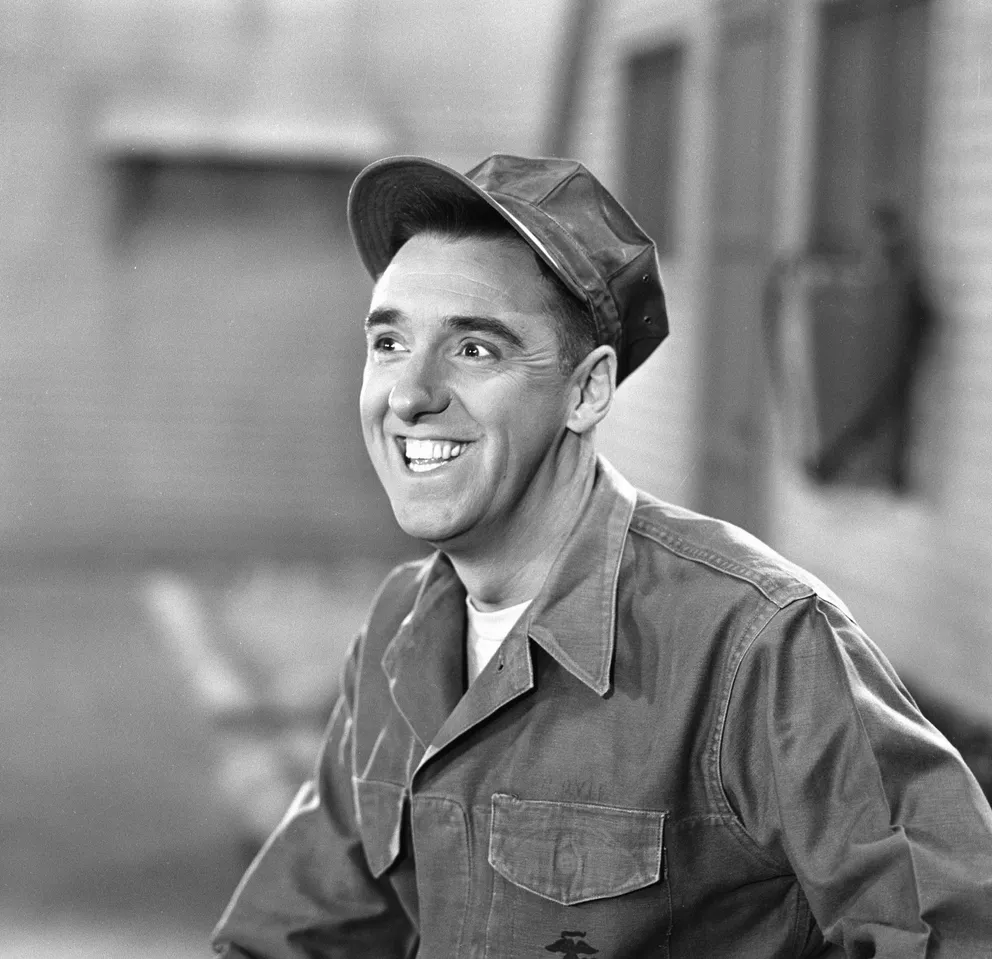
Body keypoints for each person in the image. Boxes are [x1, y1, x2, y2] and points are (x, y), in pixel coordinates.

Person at [212, 155, 992, 958]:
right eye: (388, 341)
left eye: (474, 349)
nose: (409, 394)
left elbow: (949, 931)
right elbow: (291, 936)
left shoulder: (757, 642)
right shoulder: (396, 636)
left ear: (587, 391)